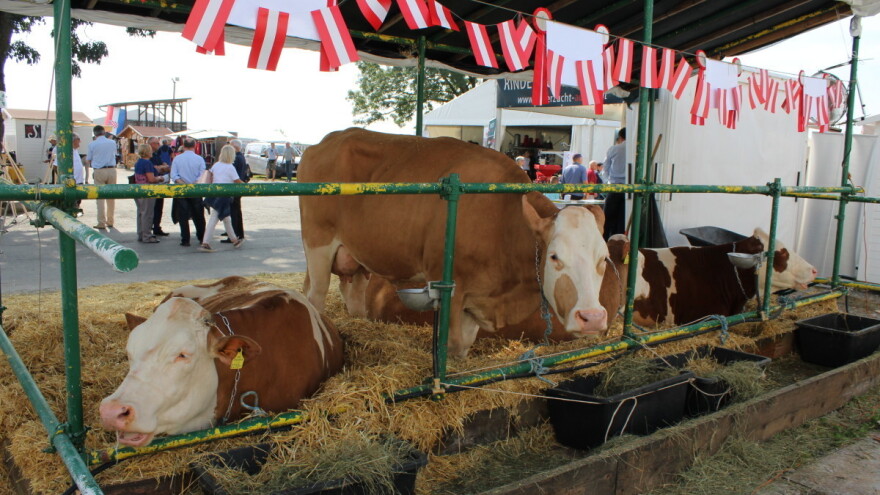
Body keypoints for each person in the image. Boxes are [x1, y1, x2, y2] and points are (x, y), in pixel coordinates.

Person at [200, 145, 244, 252]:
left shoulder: (216, 165)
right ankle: (205, 242)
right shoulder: (230, 167)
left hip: (215, 194)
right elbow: (237, 181)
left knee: (226, 218)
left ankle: (234, 240)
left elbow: (211, 176)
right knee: (216, 218)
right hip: (224, 196)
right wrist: (247, 186)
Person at [170, 138, 207, 247]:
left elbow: (174, 175)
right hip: (196, 189)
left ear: (183, 145)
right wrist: (194, 183)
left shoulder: (177, 159)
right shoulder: (199, 159)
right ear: (195, 146)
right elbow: (202, 174)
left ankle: (185, 239)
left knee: (183, 215)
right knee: (199, 215)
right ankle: (201, 237)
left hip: (181, 189)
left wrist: (182, 183)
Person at [133, 143, 166, 243]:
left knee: (140, 213)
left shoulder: (138, 162)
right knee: (148, 214)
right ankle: (147, 235)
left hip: (138, 189)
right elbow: (151, 179)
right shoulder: (147, 163)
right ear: (147, 152)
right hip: (148, 190)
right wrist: (160, 178)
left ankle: (141, 234)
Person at [87, 125, 118, 229]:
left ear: (94, 133)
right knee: (111, 196)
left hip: (99, 170)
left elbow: (89, 159)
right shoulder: (112, 142)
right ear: (104, 132)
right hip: (112, 169)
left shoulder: (92, 144)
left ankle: (101, 222)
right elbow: (115, 154)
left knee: (100, 197)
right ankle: (110, 221)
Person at [603, 128, 627, 240]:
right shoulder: (637, 149)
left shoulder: (614, 149)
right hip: (630, 189)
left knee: (608, 220)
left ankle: (606, 243)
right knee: (623, 220)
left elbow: (605, 168)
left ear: (620, 137)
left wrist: (609, 179)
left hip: (614, 187)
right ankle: (621, 242)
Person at [224, 139, 248, 243]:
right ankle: (239, 233)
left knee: (234, 212)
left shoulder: (236, 158)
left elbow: (234, 175)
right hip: (238, 187)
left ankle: (233, 234)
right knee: (236, 211)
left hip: (235, 187)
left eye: (231, 146)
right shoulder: (240, 157)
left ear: (236, 147)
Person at [147, 137, 172, 237]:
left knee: (158, 207)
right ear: (152, 144)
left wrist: (160, 168)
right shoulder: (148, 156)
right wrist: (161, 168)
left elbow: (166, 167)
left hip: (160, 183)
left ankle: (157, 227)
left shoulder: (157, 154)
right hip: (152, 184)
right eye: (157, 143)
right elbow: (154, 169)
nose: (159, 145)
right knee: (150, 209)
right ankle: (149, 228)